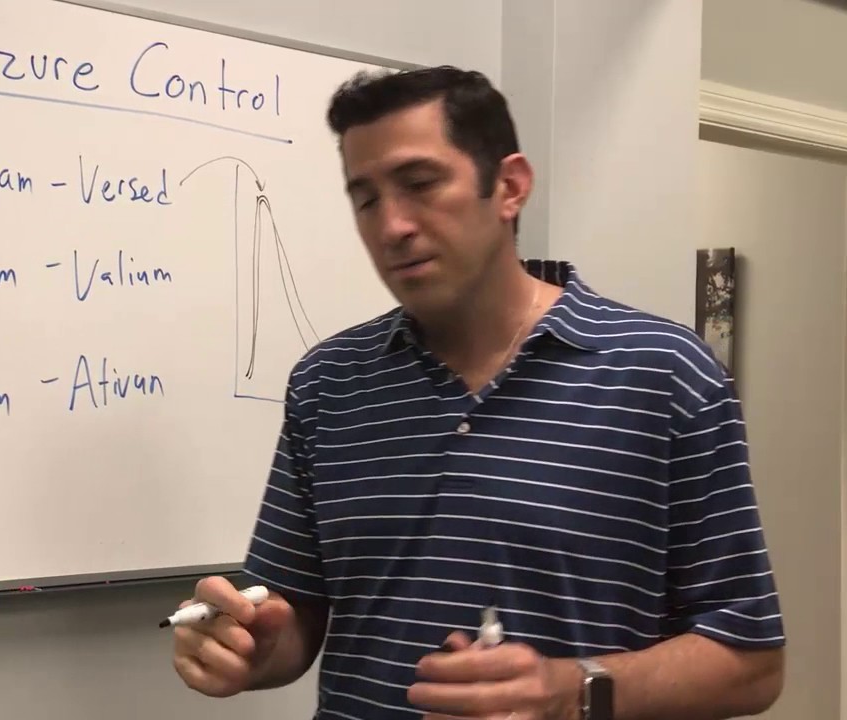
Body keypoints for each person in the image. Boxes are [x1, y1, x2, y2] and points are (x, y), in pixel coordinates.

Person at [170, 66, 785, 720]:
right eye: (366, 199)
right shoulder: (328, 382)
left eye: (420, 184)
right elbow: (298, 615)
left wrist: (571, 691)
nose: (392, 225)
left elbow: (750, 664)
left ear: (510, 187)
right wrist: (253, 648)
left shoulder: (665, 373)